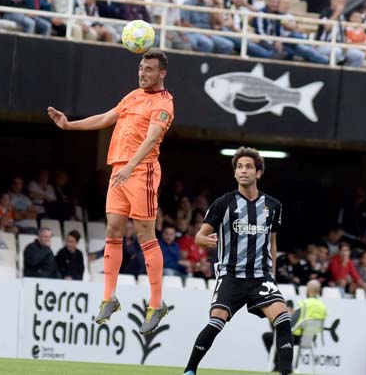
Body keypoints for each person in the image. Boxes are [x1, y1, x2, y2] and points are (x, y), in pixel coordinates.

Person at [48, 49, 173, 334]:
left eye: (149, 69)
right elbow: (106, 118)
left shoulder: (165, 102)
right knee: (112, 231)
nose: (143, 73)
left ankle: (156, 304)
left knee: (145, 236)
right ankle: (109, 297)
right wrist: (69, 125)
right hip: (120, 170)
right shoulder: (132, 95)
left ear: (162, 73)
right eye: (141, 67)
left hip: (142, 172)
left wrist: (131, 166)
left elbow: (153, 137)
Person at [183, 147, 292, 375]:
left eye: (249, 166)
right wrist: (206, 240)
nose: (243, 171)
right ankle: (190, 370)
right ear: (234, 173)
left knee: (283, 319)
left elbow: (272, 243)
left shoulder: (273, 206)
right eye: (239, 167)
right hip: (231, 275)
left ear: (258, 173)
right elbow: (199, 236)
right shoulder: (223, 203)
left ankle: (286, 373)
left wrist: (272, 276)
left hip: (260, 276)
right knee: (216, 322)